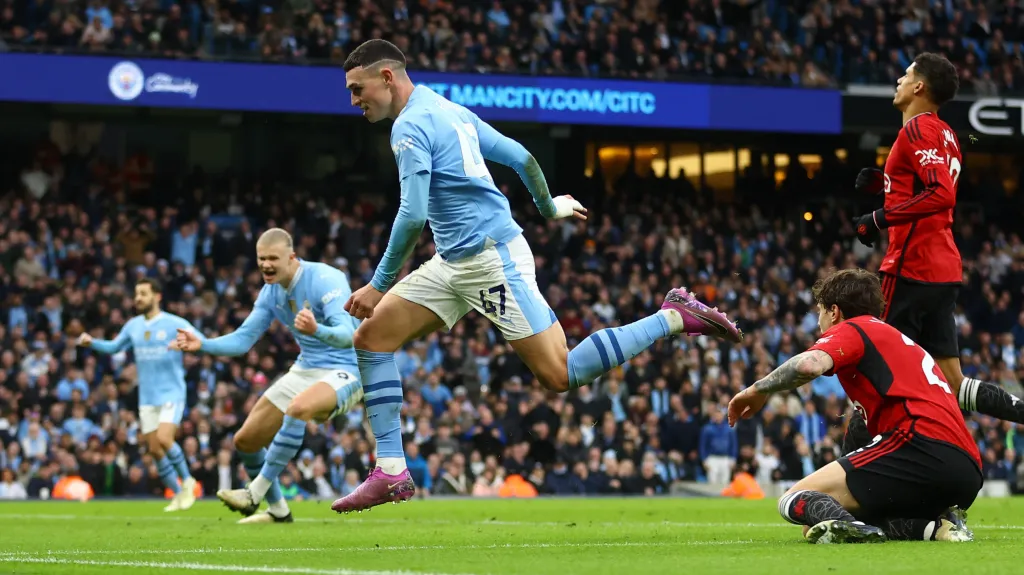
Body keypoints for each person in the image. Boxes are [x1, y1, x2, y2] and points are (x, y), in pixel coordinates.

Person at [333, 38, 742, 513]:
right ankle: (391, 470)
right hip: (453, 260)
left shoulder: (408, 127)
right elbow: (522, 157)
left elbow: (411, 215)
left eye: (356, 88)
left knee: (559, 373)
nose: (353, 100)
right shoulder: (450, 110)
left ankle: (672, 316)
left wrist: (378, 283)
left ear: (386, 77)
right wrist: (549, 207)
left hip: (490, 261)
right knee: (371, 339)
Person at [728, 268, 981, 544]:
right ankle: (937, 527)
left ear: (834, 312)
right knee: (822, 520)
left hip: (919, 447)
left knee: (793, 499)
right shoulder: (900, 343)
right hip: (966, 471)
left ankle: (857, 530)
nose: (819, 322)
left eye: (820, 313)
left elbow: (808, 365)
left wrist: (756, 390)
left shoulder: (855, 328)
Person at [850, 52, 1024, 452]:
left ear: (919, 87)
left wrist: (878, 217)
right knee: (952, 384)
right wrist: (885, 182)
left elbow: (940, 193)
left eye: (906, 73)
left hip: (910, 268)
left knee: (872, 376)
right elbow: (929, 187)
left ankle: (859, 485)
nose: (899, 78)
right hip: (943, 271)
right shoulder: (946, 135)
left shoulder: (915, 131)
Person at [170, 228, 363, 524]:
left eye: (273, 258)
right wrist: (202, 345)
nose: (266, 265)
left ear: (292, 257)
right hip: (306, 368)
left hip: (347, 369)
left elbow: (348, 335)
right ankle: (278, 511)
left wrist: (317, 330)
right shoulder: (271, 292)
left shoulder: (325, 279)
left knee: (298, 408)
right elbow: (243, 339)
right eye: (261, 259)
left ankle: (254, 492)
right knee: (246, 441)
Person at [78, 278, 199, 512]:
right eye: (136, 294)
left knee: (165, 439)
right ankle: (177, 494)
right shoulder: (133, 326)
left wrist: (186, 345)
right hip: (147, 397)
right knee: (154, 449)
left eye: (143, 294)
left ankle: (188, 482)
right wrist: (92, 342)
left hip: (171, 392)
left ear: (157, 296)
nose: (138, 299)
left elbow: (200, 341)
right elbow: (115, 347)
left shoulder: (175, 323)